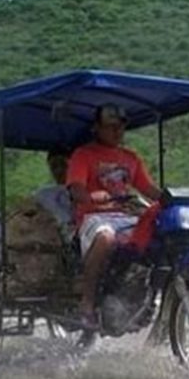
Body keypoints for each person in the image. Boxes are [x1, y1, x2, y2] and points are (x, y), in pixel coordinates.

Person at [66, 103, 162, 333]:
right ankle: (87, 304)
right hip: (94, 217)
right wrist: (91, 195)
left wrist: (174, 198)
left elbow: (148, 189)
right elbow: (75, 189)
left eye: (120, 127)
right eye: (110, 127)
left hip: (127, 215)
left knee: (160, 235)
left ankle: (148, 297)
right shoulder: (83, 155)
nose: (117, 132)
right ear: (97, 128)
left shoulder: (131, 157)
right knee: (106, 238)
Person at [34, 151, 74, 240]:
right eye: (54, 166)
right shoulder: (42, 194)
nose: (59, 170)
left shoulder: (80, 190)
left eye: (63, 165)